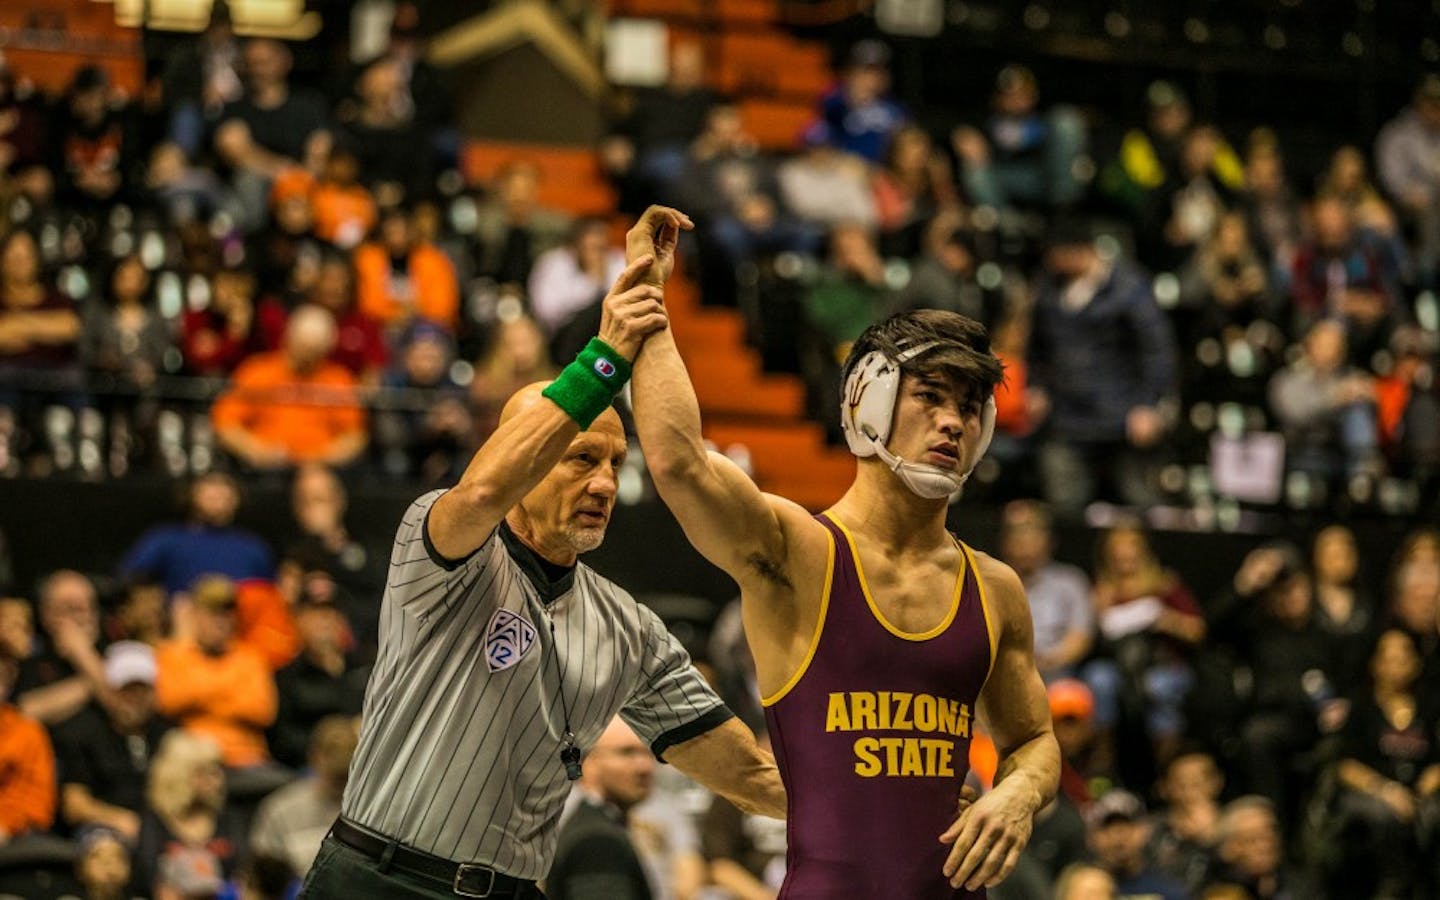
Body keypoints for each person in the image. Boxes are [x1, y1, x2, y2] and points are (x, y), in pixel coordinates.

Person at [299, 243, 784, 900]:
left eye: (615, 464)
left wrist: (883, 811)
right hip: (379, 880)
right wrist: (606, 357)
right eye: (581, 459)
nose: (605, 483)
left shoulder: (627, 628)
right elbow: (479, 495)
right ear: (525, 462)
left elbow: (747, 774)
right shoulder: (439, 544)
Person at [627, 205, 1058, 896]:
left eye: (971, 406)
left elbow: (1033, 740)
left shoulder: (994, 588)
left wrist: (1019, 794)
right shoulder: (798, 551)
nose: (954, 420)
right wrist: (647, 308)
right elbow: (680, 465)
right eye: (931, 396)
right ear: (869, 403)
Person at [52, 641, 173, 842]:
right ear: (109, 689)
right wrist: (119, 819)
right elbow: (74, 805)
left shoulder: (169, 735)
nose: (134, 698)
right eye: (126, 689)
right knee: (106, 851)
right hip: (105, 829)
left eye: (142, 689)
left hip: (161, 829)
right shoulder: (84, 733)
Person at [547, 718, 656, 900]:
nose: (645, 767)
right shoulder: (597, 840)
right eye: (627, 753)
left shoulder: (599, 826)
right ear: (588, 762)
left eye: (648, 753)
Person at [119, 470, 274, 596]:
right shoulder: (166, 540)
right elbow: (129, 580)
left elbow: (271, 597)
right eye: (211, 483)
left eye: (225, 485)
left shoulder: (254, 548)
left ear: (237, 499)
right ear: (191, 492)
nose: (218, 492)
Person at [250, 715, 358, 877]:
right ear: (315, 758)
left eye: (345, 776)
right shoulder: (280, 809)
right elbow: (261, 876)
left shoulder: (362, 813)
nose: (340, 784)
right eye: (335, 776)